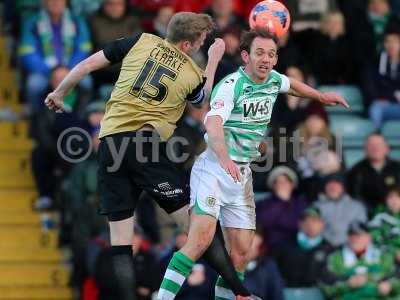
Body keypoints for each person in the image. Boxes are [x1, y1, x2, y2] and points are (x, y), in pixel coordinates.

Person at [45, 12, 254, 300]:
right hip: (144, 147)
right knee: (197, 226)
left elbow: (86, 64)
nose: (202, 46)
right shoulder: (192, 72)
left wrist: (59, 92)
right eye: (201, 42)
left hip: (109, 145)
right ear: (187, 45)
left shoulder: (140, 41)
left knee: (120, 241)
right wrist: (216, 58)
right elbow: (201, 98)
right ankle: (241, 292)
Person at [158, 29, 348, 300]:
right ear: (246, 56)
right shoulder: (232, 84)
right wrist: (224, 158)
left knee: (242, 253)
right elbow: (212, 123)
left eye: (271, 54)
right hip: (213, 168)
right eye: (260, 53)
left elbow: (292, 85)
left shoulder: (272, 80)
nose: (266, 59)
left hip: (241, 173)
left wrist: (320, 96)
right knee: (200, 240)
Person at [321, 221, 400, 300]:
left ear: (368, 237)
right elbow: (326, 287)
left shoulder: (384, 256)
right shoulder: (335, 258)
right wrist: (348, 284)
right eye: (351, 235)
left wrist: (390, 285)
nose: (355, 239)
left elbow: (397, 279)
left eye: (359, 235)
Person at [314, 173, 367, 247]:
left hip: (349, 247)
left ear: (343, 188)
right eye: (330, 185)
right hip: (322, 247)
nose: (333, 188)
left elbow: (361, 231)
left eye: (337, 185)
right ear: (324, 187)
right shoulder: (316, 206)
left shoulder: (356, 206)